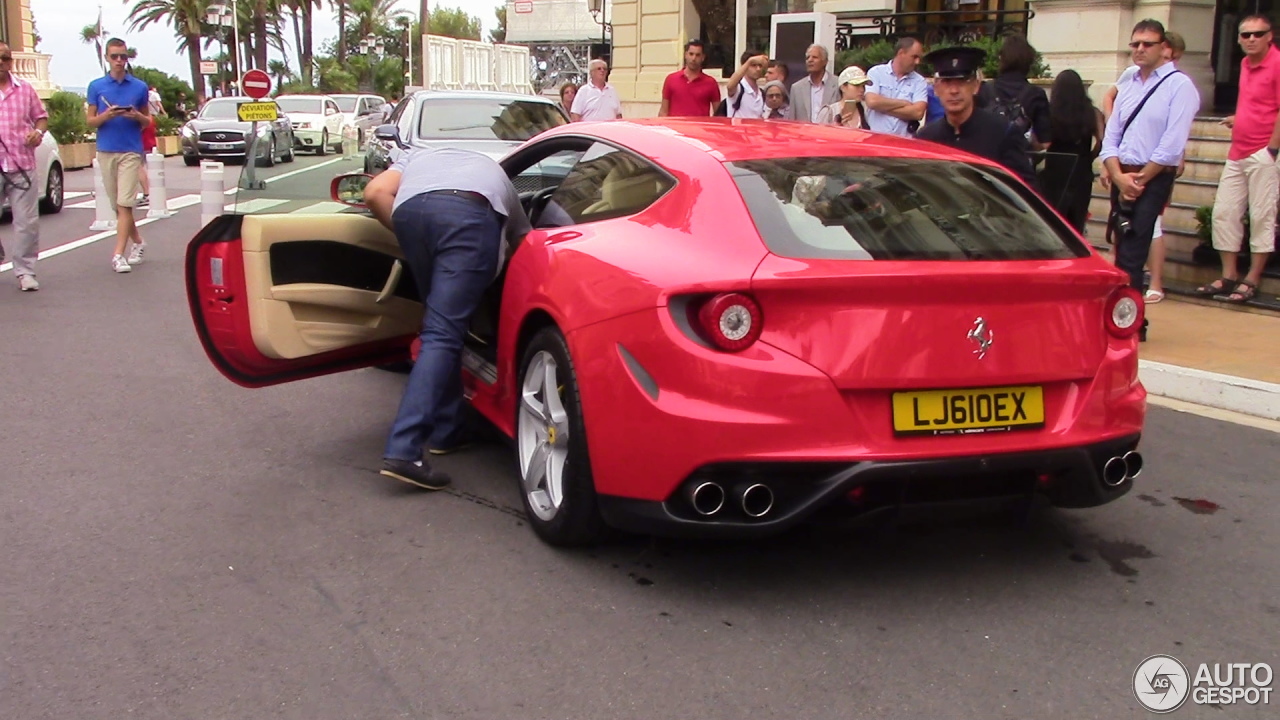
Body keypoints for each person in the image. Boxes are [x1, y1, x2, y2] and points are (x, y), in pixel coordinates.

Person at [363, 147, 531, 489]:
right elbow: (523, 243)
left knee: (439, 328)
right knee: (443, 334)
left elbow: (375, 193)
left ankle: (447, 429)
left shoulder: (415, 159)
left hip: (411, 213)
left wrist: (413, 234)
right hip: (470, 216)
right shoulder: (496, 176)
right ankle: (405, 450)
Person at [1099, 19, 1198, 339]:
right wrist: (1117, 174)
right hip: (1122, 172)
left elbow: (1172, 143)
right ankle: (1125, 315)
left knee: (1136, 246)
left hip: (1152, 175)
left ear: (1163, 48)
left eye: (1147, 44)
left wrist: (1139, 179)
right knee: (1122, 243)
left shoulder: (1178, 86)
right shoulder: (1128, 85)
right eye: (1135, 44)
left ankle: (1131, 320)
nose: (1140, 50)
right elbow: (1111, 134)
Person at [1199, 14, 1279, 304]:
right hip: (1238, 149)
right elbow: (1255, 103)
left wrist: (1272, 148)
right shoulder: (1245, 64)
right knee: (1224, 213)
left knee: (1262, 215)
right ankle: (1229, 274)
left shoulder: (1278, 64)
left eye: (1258, 34)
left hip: (1262, 152)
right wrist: (1240, 118)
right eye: (1245, 35)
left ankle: (1253, 277)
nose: (1251, 39)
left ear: (1270, 36)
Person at [916, 46, 1037, 189]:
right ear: (936, 88)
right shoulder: (926, 139)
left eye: (962, 82)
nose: (954, 91)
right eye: (947, 82)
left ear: (976, 86)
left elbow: (1027, 190)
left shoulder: (1002, 132)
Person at [86, 37, 150, 274]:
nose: (119, 61)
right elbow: (91, 121)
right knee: (118, 207)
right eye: (115, 56)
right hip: (106, 149)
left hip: (131, 150)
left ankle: (118, 254)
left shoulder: (139, 87)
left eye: (123, 56)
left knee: (125, 202)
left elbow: (147, 121)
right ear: (107, 58)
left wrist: (136, 117)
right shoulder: (96, 86)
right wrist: (108, 115)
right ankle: (139, 242)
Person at [0, 40, 49, 292]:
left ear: (10, 61)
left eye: (5, 58)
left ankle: (25, 271)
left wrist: (37, 134)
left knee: (26, 221)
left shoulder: (25, 89)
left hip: (21, 164)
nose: (1, 62)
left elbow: (41, 118)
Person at [1046, 69, 1105, 234]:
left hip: (1055, 169)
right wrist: (1089, 157)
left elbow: (1042, 141)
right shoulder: (1092, 113)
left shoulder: (1050, 113)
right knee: (1077, 220)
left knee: (1055, 220)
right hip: (1081, 169)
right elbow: (1102, 141)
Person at [975, 34, 1051, 150]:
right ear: (1029, 61)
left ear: (1001, 59)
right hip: (1019, 160)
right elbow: (1045, 142)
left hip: (988, 161)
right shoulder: (1036, 94)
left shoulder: (983, 90)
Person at [864, 37, 928, 137]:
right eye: (914, 57)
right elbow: (872, 102)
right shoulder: (876, 73)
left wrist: (881, 107)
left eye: (919, 58)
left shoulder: (919, 81)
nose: (917, 62)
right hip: (876, 140)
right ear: (901, 53)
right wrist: (903, 103)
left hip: (903, 143)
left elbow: (918, 113)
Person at [660, 39, 720, 117]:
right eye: (691, 54)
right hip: (676, 127)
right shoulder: (671, 79)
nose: (694, 58)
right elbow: (664, 111)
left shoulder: (711, 83)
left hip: (699, 128)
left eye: (697, 55)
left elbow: (718, 114)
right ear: (685, 55)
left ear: (703, 57)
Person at [787, 44, 839, 123]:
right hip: (804, 133)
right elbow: (792, 120)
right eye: (807, 58)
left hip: (829, 133)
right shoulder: (796, 88)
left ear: (825, 61)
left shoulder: (838, 84)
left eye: (815, 57)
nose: (810, 60)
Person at [723, 50, 768, 119]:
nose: (758, 69)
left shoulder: (761, 93)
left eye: (760, 65)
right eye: (753, 65)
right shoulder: (739, 88)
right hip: (737, 129)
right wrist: (750, 61)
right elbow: (730, 85)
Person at [137, 113, 156, 207]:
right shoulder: (149, 115)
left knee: (138, 168)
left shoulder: (140, 116)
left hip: (140, 144)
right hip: (148, 144)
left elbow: (138, 129)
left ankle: (146, 194)